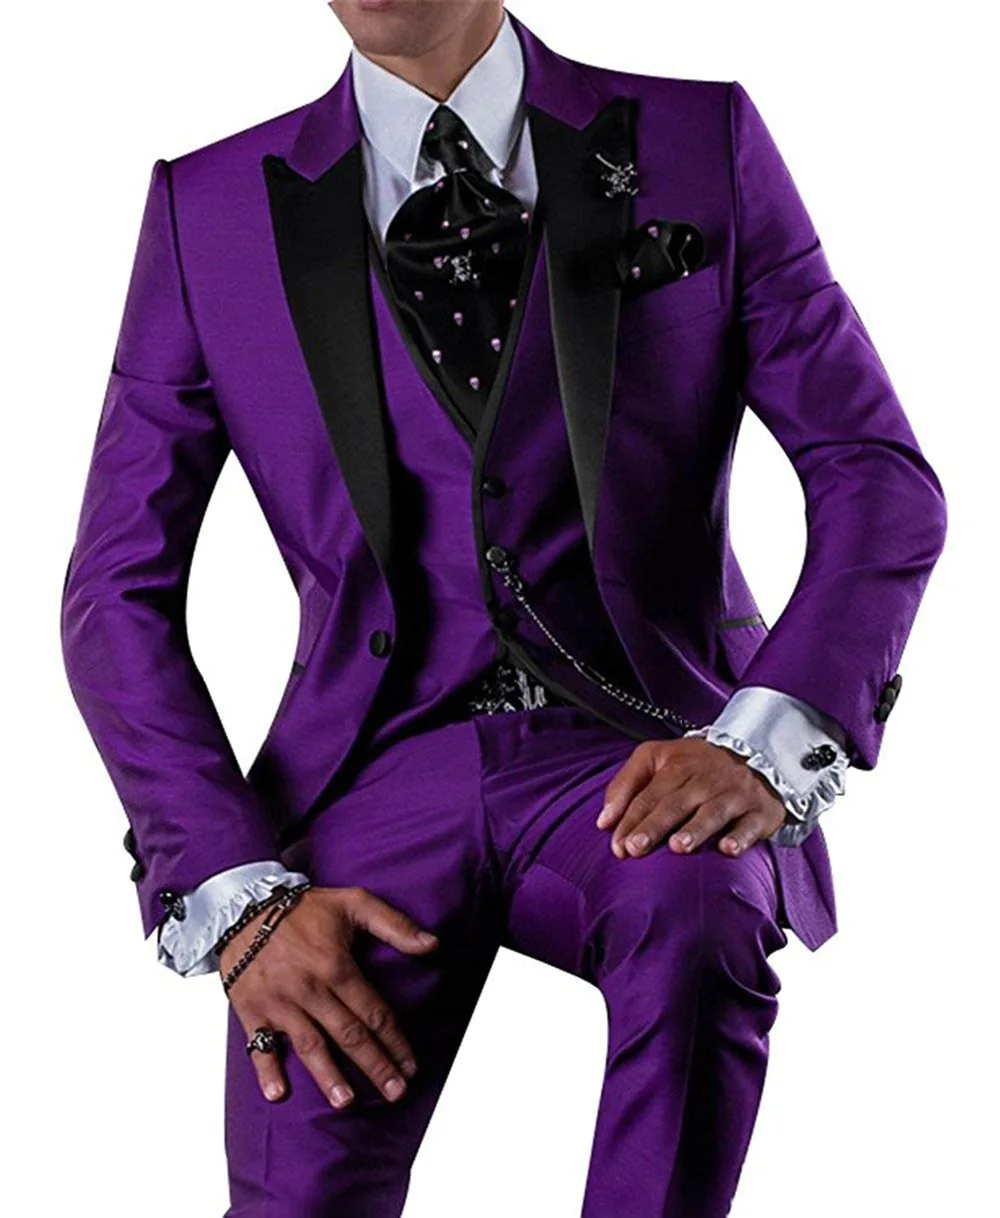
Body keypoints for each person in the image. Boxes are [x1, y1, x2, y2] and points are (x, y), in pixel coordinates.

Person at [60, 2, 947, 1215]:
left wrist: (763, 743)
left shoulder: (700, 141)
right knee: (297, 1170)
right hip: (369, 768)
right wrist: (232, 895)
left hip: (636, 740)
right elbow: (115, 593)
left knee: (698, 911)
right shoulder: (203, 209)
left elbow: (875, 477)